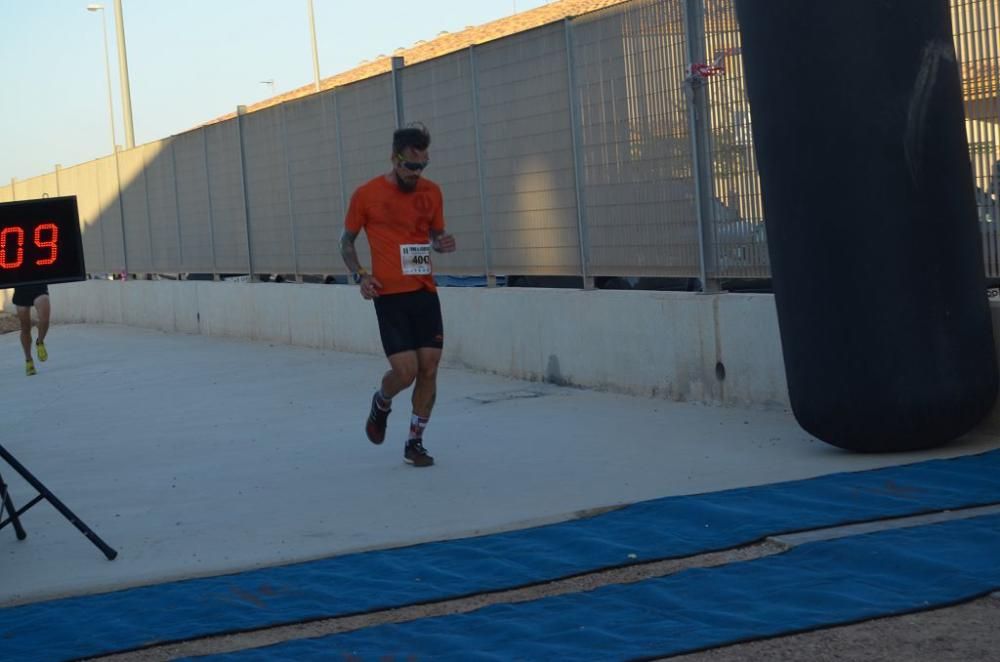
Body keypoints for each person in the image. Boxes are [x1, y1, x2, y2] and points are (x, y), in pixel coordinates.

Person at [339, 124, 456, 467]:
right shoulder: (367, 194)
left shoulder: (432, 192)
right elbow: (345, 241)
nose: (416, 173)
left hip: (424, 291)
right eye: (410, 166)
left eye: (423, 166)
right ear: (395, 158)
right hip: (388, 294)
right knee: (405, 372)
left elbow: (435, 234)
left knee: (430, 368)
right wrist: (361, 275)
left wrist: (441, 243)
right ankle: (382, 401)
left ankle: (414, 443)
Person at [12, 284, 51, 376]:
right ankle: (29, 360)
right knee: (25, 327)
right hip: (20, 290)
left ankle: (40, 342)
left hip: (39, 287)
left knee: (45, 320)